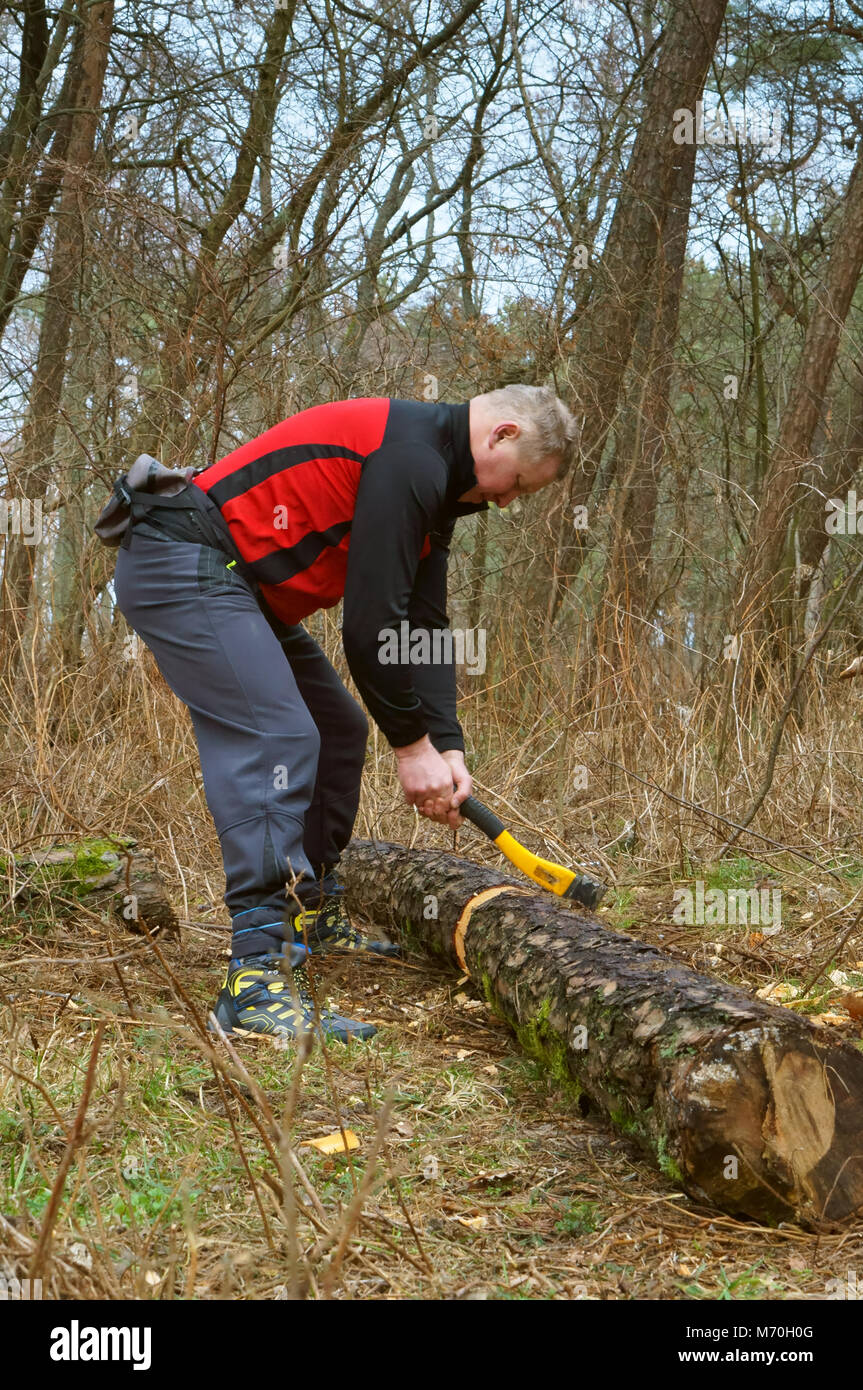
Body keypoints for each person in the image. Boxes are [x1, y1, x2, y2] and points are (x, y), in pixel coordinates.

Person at [106, 385, 578, 1044]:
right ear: (499, 435)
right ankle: (254, 978)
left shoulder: (436, 485)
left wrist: (446, 745)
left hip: (236, 584)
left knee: (335, 730)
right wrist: (409, 748)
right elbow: (370, 627)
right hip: (181, 559)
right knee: (278, 736)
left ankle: (310, 913)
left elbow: (423, 627)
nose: (505, 502)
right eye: (518, 485)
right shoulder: (410, 455)